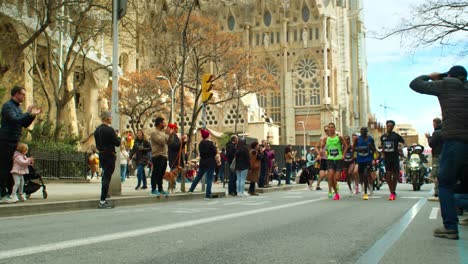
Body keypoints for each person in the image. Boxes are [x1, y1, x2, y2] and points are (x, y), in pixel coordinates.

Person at [409, 65, 468, 240]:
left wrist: (434, 76)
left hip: (455, 142)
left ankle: (450, 227)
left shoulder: (445, 85)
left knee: (445, 183)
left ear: (449, 75)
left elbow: (415, 84)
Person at [0, 86, 40, 203]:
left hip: (14, 141)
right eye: (22, 94)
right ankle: (3, 194)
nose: (24, 96)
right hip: (6, 141)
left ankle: (11, 193)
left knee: (12, 168)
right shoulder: (8, 106)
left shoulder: (17, 108)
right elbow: (15, 120)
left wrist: (31, 116)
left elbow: (24, 124)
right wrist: (27, 113)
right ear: (16, 94)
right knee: (5, 167)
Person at [94, 111, 121, 209]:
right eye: (110, 117)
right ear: (106, 118)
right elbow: (117, 143)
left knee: (105, 175)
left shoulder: (97, 130)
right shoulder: (110, 130)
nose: (111, 118)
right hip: (110, 155)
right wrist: (118, 135)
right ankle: (102, 200)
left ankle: (104, 196)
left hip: (101, 154)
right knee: (107, 177)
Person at [321, 123, 347, 200]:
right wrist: (321, 150)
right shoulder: (326, 139)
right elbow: (321, 146)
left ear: (335, 128)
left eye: (332, 127)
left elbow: (345, 145)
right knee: (330, 175)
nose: (330, 129)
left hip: (338, 159)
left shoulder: (339, 137)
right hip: (330, 159)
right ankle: (336, 193)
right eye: (329, 128)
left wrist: (343, 154)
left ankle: (335, 187)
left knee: (337, 178)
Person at [188, 129, 217, 199]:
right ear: (207, 136)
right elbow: (214, 152)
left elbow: (201, 153)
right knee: (209, 179)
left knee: (198, 176)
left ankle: (191, 189)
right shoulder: (210, 144)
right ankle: (208, 195)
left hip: (203, 162)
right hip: (210, 162)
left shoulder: (200, 144)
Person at [380, 120, 405, 201]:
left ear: (393, 127)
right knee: (387, 175)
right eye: (388, 126)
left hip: (394, 157)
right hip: (387, 158)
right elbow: (382, 146)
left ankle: (393, 191)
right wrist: (383, 154)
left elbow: (404, 142)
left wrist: (400, 147)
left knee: (395, 175)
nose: (389, 127)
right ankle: (391, 191)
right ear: (386, 126)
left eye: (391, 126)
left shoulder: (396, 136)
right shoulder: (383, 137)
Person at [149, 117, 174, 197]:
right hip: (157, 155)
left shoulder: (163, 133)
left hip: (164, 155)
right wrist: (167, 134)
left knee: (161, 173)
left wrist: (170, 135)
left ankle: (160, 189)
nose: (165, 124)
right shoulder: (154, 132)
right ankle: (153, 189)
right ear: (160, 123)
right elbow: (162, 142)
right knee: (156, 172)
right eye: (163, 123)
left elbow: (169, 142)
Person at [354, 127, 376, 200]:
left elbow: (374, 149)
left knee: (366, 174)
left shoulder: (370, 139)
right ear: (360, 132)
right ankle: (366, 185)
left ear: (367, 132)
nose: (363, 132)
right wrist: (358, 149)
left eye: (365, 131)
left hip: (368, 159)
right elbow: (354, 148)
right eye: (362, 131)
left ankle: (365, 192)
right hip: (360, 159)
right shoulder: (357, 139)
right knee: (361, 176)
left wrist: (371, 146)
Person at [425, 117, 443, 201]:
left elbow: (431, 144)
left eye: (433, 124)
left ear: (436, 124)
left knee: (436, 174)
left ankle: (437, 192)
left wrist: (428, 137)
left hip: (437, 155)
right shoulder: (445, 131)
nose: (433, 125)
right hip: (444, 155)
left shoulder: (436, 133)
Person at [315, 125, 330, 190]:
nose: (327, 131)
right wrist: (319, 154)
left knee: (329, 173)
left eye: (328, 130)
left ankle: (331, 187)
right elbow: (316, 147)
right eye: (325, 130)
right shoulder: (322, 139)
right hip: (323, 158)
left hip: (331, 158)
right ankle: (317, 185)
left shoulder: (334, 138)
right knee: (322, 174)